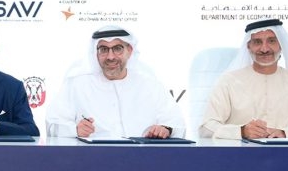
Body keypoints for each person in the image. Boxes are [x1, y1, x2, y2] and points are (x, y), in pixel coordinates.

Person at [200, 18, 288, 140]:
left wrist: (287, 133)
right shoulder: (229, 81)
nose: (264, 49)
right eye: (257, 42)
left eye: (271, 41)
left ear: (281, 45)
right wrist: (241, 131)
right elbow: (206, 128)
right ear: (249, 46)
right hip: (240, 157)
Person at [47, 25, 185, 139]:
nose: (110, 57)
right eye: (104, 50)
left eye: (117, 49)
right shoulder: (76, 85)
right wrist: (74, 130)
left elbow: (177, 124)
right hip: (92, 159)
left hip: (143, 158)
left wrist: (166, 129)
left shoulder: (150, 85)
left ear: (129, 51)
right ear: (95, 53)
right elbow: (52, 127)